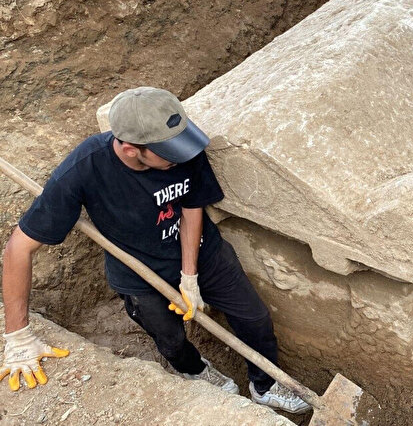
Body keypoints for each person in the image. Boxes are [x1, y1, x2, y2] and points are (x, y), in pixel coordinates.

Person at [0, 87, 309, 413]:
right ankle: (196, 371)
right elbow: (18, 248)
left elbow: (192, 207)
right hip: (140, 275)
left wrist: (189, 275)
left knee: (255, 318)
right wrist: (17, 335)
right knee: (171, 341)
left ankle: (264, 384)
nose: (182, 155)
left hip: (205, 253)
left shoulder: (181, 146)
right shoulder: (84, 169)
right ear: (132, 150)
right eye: (169, 152)